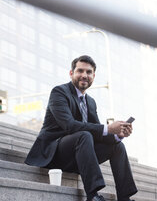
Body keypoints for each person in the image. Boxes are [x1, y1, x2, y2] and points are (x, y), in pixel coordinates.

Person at [25, 55, 137, 201]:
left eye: (89, 72)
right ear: (71, 73)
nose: (84, 75)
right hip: (54, 154)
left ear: (93, 76)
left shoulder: (90, 102)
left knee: (118, 146)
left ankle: (125, 198)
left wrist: (118, 134)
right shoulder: (59, 92)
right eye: (80, 71)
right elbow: (70, 126)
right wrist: (108, 128)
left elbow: (99, 133)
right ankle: (92, 195)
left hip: (80, 155)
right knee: (84, 135)